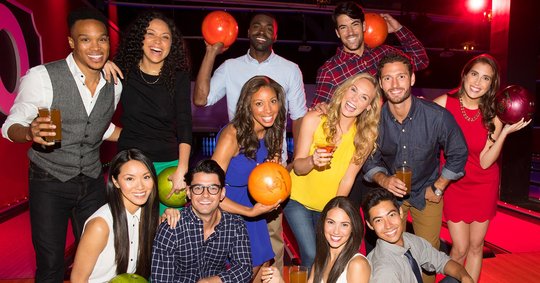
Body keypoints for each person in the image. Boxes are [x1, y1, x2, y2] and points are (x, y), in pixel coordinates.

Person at [1, 8, 122, 282]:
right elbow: (11, 125)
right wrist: (29, 131)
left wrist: (141, 137)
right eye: (85, 40)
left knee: (99, 259)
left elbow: (98, 126)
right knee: (52, 264)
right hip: (49, 180)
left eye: (102, 40)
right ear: (71, 42)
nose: (95, 47)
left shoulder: (114, 85)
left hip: (91, 181)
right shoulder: (42, 77)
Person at [193, 13, 308, 271]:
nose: (267, 109)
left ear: (275, 35)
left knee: (270, 251)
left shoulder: (290, 70)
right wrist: (211, 52)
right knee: (241, 265)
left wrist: (292, 160)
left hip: (269, 170)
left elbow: (300, 115)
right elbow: (201, 99)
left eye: (270, 27)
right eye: (257, 25)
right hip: (236, 178)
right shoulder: (231, 68)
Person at [362, 52, 468, 283]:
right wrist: (384, 179)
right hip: (392, 197)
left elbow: (459, 152)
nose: (395, 84)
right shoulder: (374, 120)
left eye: (401, 76)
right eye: (387, 78)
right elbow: (369, 159)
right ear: (380, 83)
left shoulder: (436, 116)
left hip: (426, 193)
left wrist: (439, 186)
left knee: (428, 254)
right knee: (389, 252)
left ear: (412, 79)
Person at [433, 54, 531, 282]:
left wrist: (504, 131)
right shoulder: (443, 104)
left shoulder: (493, 114)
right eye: (474, 74)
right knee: (459, 248)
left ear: (491, 85)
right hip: (454, 184)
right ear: (465, 75)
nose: (477, 82)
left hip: (483, 184)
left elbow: (486, 162)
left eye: (485, 79)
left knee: (476, 247)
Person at [284, 72, 381, 269]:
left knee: (324, 258)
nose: (354, 99)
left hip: (326, 206)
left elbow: (347, 180)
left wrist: (334, 212)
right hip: (296, 200)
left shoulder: (364, 138)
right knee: (311, 253)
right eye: (353, 90)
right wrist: (313, 160)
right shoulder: (314, 118)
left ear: (368, 106)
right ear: (345, 90)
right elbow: (299, 167)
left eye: (363, 97)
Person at [113, 11, 192, 215]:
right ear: (140, 38)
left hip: (167, 165)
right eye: (151, 34)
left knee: (169, 232)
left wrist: (182, 168)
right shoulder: (122, 71)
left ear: (171, 44)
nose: (158, 41)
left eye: (165, 37)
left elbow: (184, 123)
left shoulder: (178, 77)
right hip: (131, 164)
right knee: (131, 234)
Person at [211, 75, 285, 280]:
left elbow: (269, 172)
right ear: (247, 106)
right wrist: (249, 211)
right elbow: (210, 189)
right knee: (245, 271)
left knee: (263, 265)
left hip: (253, 209)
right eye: (259, 104)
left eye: (273, 101)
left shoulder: (272, 133)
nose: (268, 110)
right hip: (229, 208)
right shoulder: (232, 136)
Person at [70, 149, 170, 282]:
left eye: (146, 177)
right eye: (130, 178)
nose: (140, 186)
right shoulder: (100, 226)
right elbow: (78, 279)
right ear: (115, 181)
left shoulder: (149, 218)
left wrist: (170, 213)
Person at [151, 159, 252, 282]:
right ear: (188, 192)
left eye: (213, 188)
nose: (205, 195)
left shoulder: (235, 225)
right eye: (198, 188)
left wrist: (211, 281)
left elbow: (244, 269)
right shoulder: (170, 228)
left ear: (222, 193)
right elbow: (161, 280)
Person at [312, 1, 429, 106]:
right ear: (338, 33)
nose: (350, 32)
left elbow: (420, 60)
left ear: (363, 26)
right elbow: (318, 114)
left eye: (355, 24)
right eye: (343, 27)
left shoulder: (383, 53)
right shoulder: (329, 71)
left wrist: (398, 29)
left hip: (388, 128)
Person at [363, 188, 473, 283]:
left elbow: (443, 262)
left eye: (391, 215)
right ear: (370, 225)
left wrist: (465, 277)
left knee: (456, 279)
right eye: (378, 220)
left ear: (400, 213)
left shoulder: (409, 240)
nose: (388, 225)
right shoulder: (384, 272)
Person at [262, 196, 370, 283]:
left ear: (353, 228)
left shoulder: (357, 264)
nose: (336, 231)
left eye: (344, 225)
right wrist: (279, 280)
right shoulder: (321, 259)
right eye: (331, 222)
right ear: (323, 223)